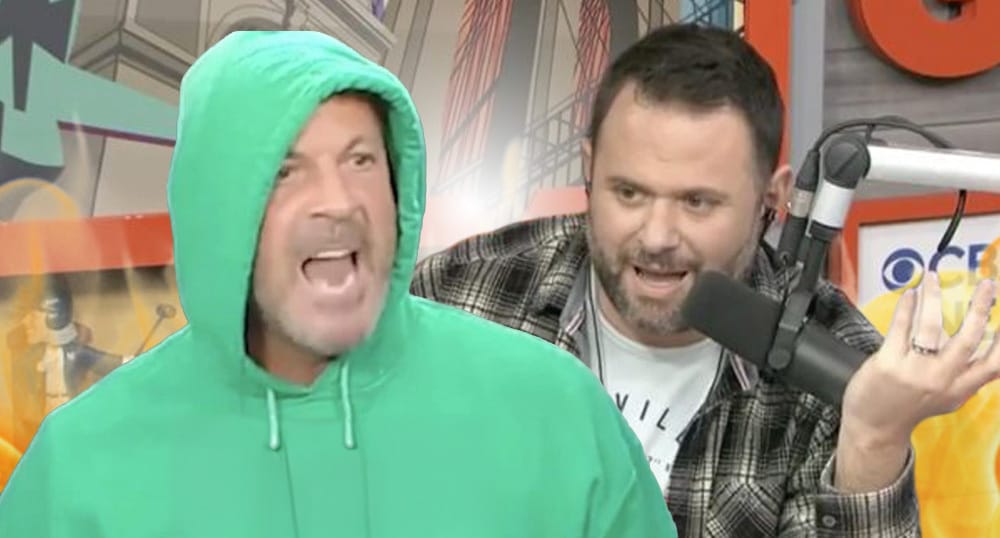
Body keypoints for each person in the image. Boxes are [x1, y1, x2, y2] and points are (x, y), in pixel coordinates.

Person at [0, 31, 679, 537]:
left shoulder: (554, 413)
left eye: (360, 161)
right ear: (216, 212)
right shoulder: (79, 471)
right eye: (285, 171)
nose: (336, 202)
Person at [411, 23, 1000, 536]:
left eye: (697, 202)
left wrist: (873, 439)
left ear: (772, 197)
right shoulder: (458, 292)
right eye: (628, 193)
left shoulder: (839, 369)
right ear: (589, 169)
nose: (657, 236)